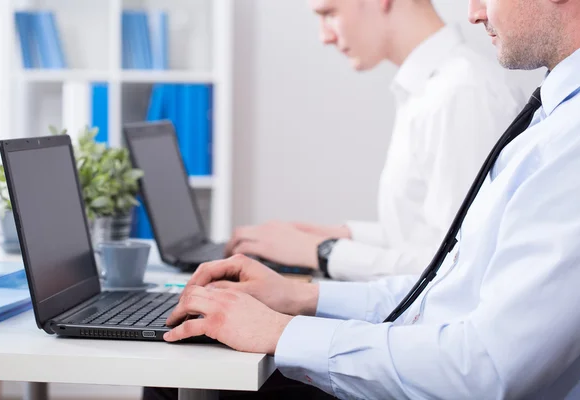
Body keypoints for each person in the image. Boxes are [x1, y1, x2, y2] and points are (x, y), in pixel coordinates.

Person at [148, 0, 580, 397]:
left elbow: (484, 364)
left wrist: (299, 302)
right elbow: (451, 279)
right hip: (438, 355)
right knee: (187, 363)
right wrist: (301, 295)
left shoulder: (550, 128)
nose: (473, 13)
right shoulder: (552, 117)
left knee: (182, 372)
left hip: (453, 374)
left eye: (329, 12)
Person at [223, 0, 523, 282]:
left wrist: (321, 251)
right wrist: (333, 235)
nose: (324, 36)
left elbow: (456, 265)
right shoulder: (432, 88)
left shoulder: (461, 93)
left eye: (330, 13)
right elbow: (424, 234)